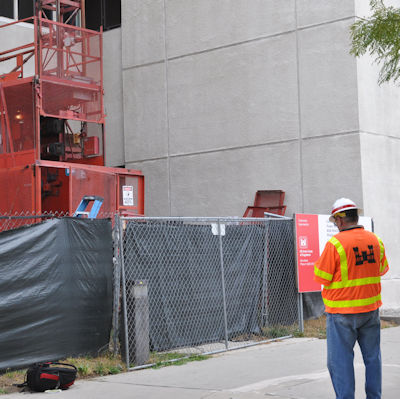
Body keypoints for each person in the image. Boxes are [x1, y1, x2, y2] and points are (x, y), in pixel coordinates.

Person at [314, 198, 389, 399]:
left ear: (339, 220)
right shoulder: (376, 240)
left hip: (342, 314)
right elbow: (382, 269)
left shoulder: (335, 244)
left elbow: (321, 276)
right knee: (373, 358)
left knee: (340, 362)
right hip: (370, 311)